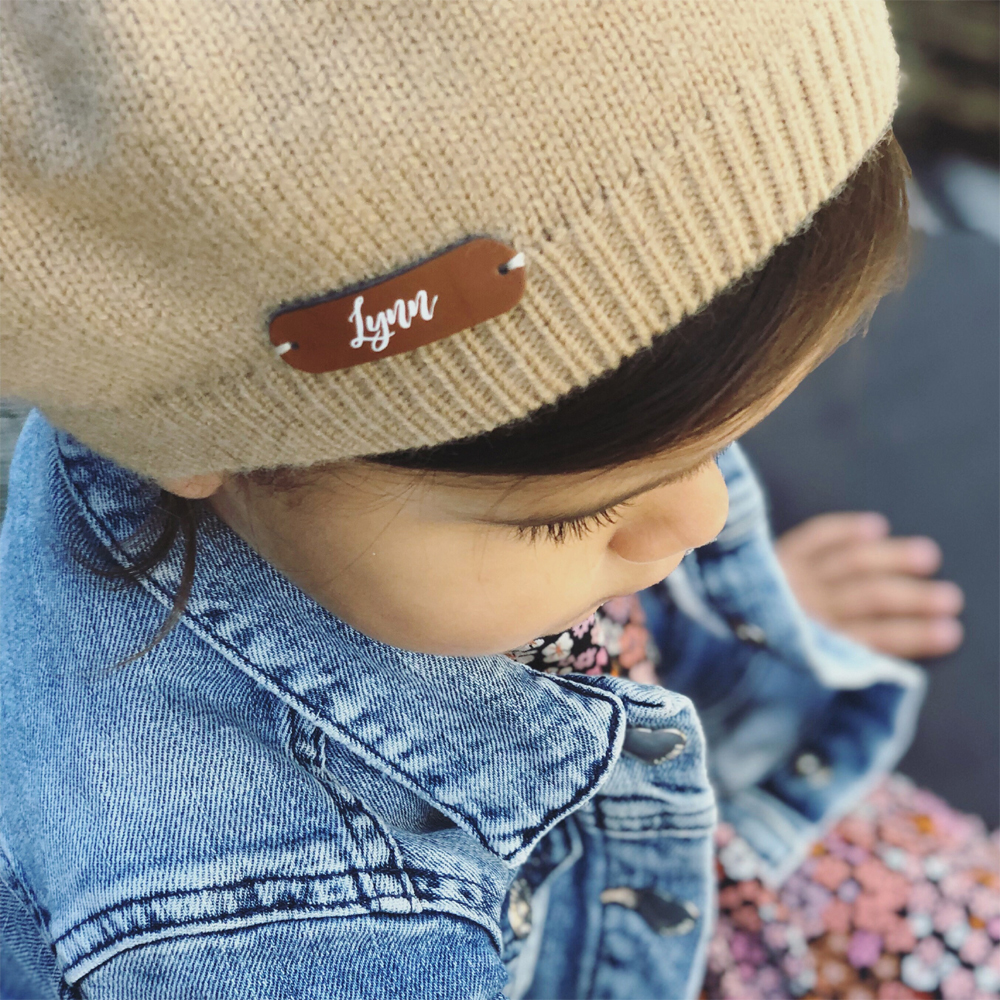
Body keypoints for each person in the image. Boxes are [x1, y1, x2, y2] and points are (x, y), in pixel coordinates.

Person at [1, 2, 995, 998]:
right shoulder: (250, 925)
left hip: (689, 836)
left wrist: (727, 626)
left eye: (723, 434)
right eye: (568, 516)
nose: (702, 523)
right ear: (218, 444)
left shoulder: (416, 497)